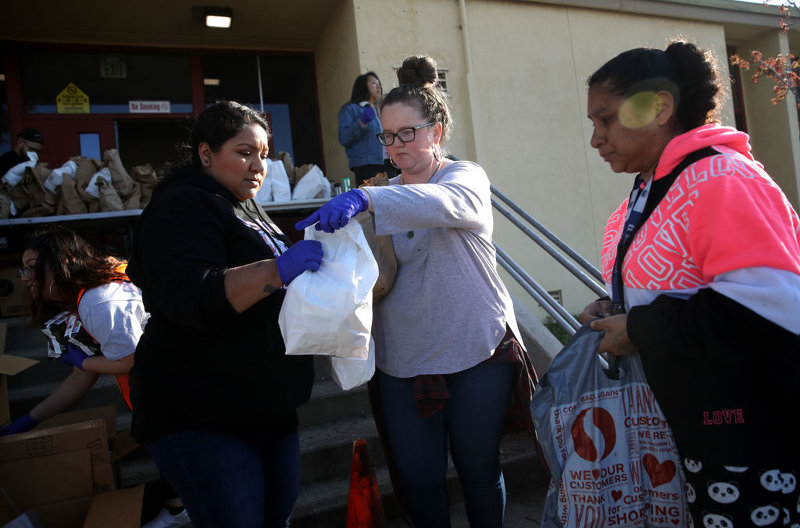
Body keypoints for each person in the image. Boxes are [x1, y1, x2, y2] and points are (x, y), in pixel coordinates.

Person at [298, 55, 535, 528]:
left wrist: (366, 198)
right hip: (402, 360)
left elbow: (452, 205)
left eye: (409, 132)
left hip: (477, 350)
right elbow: (355, 274)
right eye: (387, 135)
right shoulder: (380, 192)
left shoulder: (462, 177)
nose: (396, 145)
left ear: (437, 130)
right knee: (420, 479)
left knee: (479, 470)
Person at [582, 39, 800, 526]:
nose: (596, 138)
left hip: (744, 436)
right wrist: (613, 307)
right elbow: (676, 287)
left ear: (659, 107)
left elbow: (769, 310)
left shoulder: (723, 179)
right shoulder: (655, 186)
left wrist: (638, 328)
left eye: (606, 118)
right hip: (692, 430)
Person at [126, 100, 322, 528]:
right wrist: (279, 269)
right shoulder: (180, 207)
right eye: (244, 151)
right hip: (202, 416)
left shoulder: (243, 205)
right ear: (206, 153)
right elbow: (189, 293)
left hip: (265, 409)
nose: (258, 165)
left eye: (264, 155)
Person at [0, 226, 191, 528]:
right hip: (166, 398)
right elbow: (80, 378)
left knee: (185, 462)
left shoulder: (98, 301)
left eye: (30, 269)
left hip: (179, 396)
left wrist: (88, 363)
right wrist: (27, 422)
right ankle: (179, 508)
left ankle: (181, 512)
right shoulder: (86, 293)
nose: (24, 279)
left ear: (61, 262)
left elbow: (133, 359)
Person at [338, 72, 396, 187]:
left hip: (388, 163)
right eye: (374, 83)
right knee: (371, 201)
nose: (379, 86)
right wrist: (361, 122)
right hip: (367, 165)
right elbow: (344, 138)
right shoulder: (351, 109)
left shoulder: (379, 109)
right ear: (363, 86)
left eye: (379, 83)